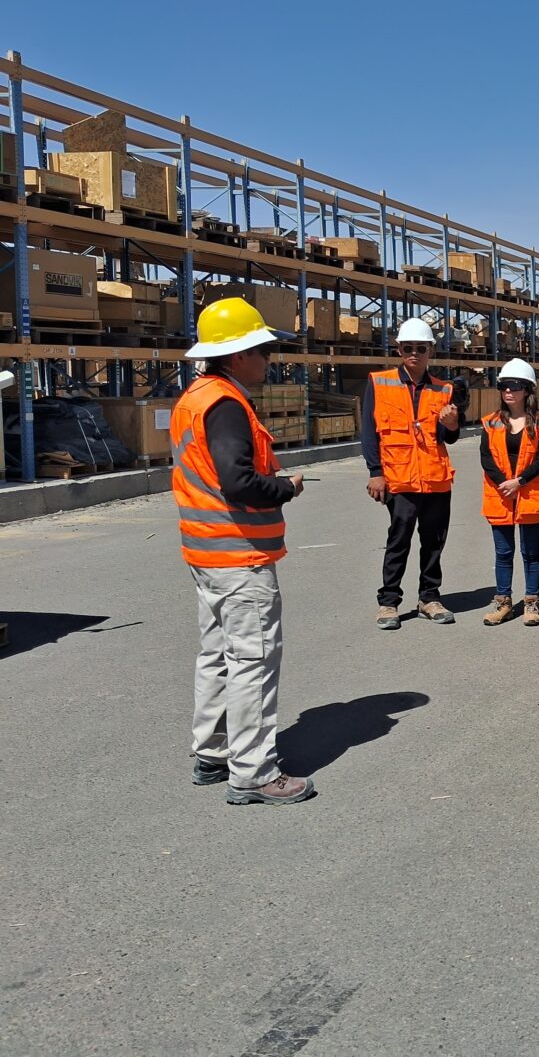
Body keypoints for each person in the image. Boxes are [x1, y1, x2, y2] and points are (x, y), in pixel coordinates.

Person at [172, 298, 313, 805]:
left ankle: (213, 752)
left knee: (217, 655)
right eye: (264, 349)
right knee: (252, 660)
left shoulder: (197, 395)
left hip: (207, 554)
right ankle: (253, 772)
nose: (270, 358)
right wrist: (286, 487)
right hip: (239, 556)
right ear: (237, 355)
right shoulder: (226, 404)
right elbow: (238, 481)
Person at [362, 317, 461, 629]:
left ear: (431, 350)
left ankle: (429, 597)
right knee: (399, 539)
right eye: (408, 348)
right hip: (399, 477)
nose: (414, 353)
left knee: (434, 541)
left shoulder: (444, 389)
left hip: (435, 478)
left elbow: (449, 438)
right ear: (399, 349)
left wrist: (452, 425)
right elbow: (369, 431)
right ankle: (388, 601)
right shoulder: (379, 383)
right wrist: (376, 472)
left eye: (421, 348)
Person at [480, 358, 539, 626]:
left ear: (527, 390)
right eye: (503, 386)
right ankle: (503, 602)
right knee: (503, 552)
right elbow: (486, 458)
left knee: (530, 552)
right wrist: (504, 483)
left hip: (529, 494)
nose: (508, 391)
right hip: (500, 495)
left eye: (514, 386)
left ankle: (531, 603)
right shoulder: (490, 422)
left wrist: (519, 481)